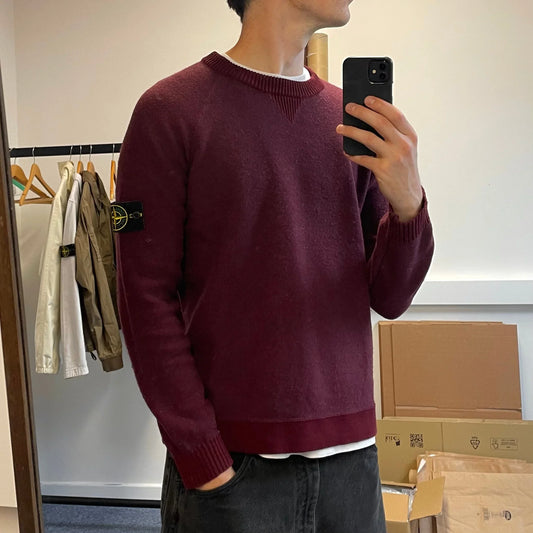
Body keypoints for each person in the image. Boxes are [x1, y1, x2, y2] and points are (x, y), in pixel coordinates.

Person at [115, 0, 434, 531]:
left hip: (352, 468)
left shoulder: (349, 122)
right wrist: (204, 460)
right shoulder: (170, 111)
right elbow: (143, 298)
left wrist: (409, 204)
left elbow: (391, 297)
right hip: (233, 473)